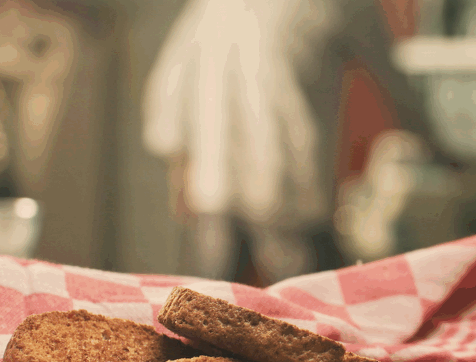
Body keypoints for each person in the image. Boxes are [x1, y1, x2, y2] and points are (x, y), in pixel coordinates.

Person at [143, 0, 433, 284]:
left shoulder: (212, 6)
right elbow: (394, 84)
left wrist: (180, 173)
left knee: (202, 311)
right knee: (314, 315)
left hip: (213, 185)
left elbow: (169, 89)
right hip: (289, 187)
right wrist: (439, 146)